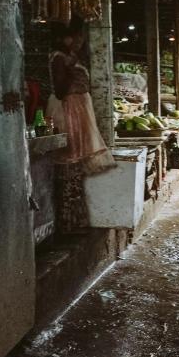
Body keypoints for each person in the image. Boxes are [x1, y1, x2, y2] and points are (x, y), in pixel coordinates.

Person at [46, 19, 115, 232]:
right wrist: (69, 66)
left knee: (75, 169)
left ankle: (75, 221)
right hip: (68, 113)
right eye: (73, 36)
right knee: (69, 164)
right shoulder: (59, 58)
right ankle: (68, 222)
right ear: (61, 38)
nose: (78, 40)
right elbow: (60, 90)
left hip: (78, 112)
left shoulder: (69, 57)